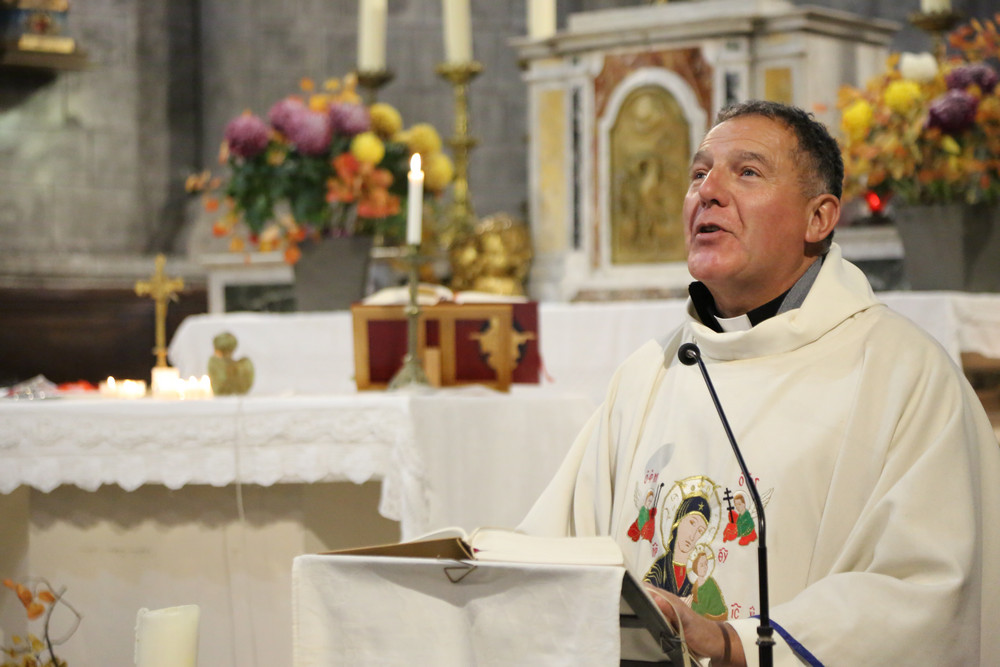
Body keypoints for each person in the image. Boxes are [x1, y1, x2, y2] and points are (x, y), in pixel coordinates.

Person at [519, 100, 1000, 665]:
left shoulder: (903, 374)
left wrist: (733, 642)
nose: (708, 192)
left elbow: (926, 591)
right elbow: (557, 554)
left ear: (818, 218)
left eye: (747, 172)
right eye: (699, 174)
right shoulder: (651, 372)